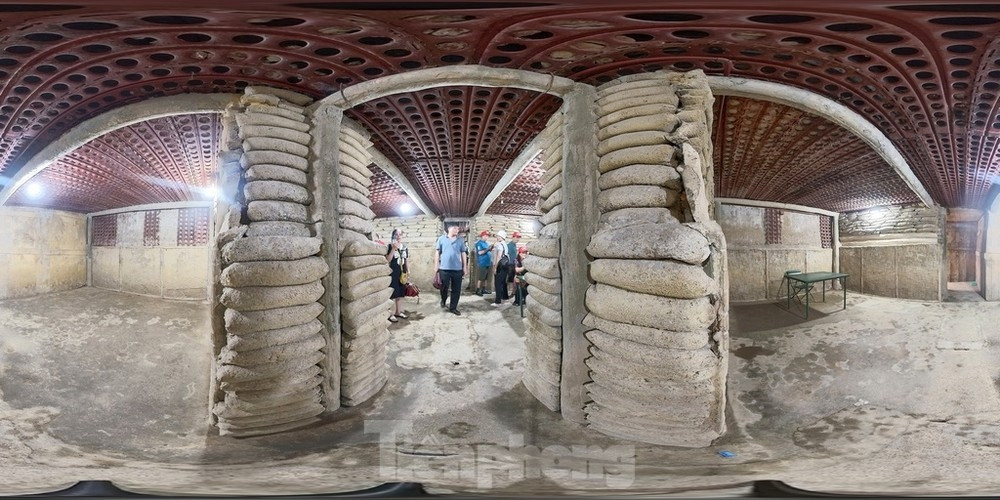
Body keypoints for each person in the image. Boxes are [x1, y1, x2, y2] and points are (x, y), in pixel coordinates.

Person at [434, 223, 468, 315]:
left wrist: (465, 267)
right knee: (444, 288)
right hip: (444, 268)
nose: (457, 230)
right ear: (449, 229)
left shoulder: (460, 240)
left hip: (457, 269)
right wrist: (436, 264)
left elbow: (463, 253)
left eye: (458, 229)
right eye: (455, 228)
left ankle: (453, 307)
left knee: (456, 289)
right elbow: (437, 252)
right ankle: (443, 300)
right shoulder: (441, 239)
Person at [385, 229, 408, 323]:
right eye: (396, 234)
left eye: (400, 234)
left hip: (402, 272)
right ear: (393, 235)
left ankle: (398, 312)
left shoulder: (405, 247)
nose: (398, 236)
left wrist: (408, 272)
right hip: (393, 272)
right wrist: (393, 249)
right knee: (392, 293)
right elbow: (387, 260)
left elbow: (406, 260)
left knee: (400, 293)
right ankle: (390, 314)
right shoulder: (390, 246)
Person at [492, 230, 510, 306]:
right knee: (503, 282)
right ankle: (505, 296)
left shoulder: (500, 245)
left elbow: (499, 257)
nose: (497, 237)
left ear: (501, 237)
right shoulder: (505, 244)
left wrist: (495, 267)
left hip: (500, 266)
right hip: (506, 265)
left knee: (498, 283)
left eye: (498, 236)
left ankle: (498, 301)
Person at [474, 230, 493, 296]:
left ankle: (483, 289)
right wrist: (488, 249)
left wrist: (490, 249)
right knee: (481, 278)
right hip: (482, 263)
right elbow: (480, 252)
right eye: (486, 236)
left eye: (488, 236)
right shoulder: (479, 243)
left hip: (488, 263)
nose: (487, 237)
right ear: (483, 236)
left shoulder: (486, 243)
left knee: (485, 278)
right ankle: (478, 290)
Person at [507, 231, 521, 296]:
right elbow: (508, 256)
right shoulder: (509, 245)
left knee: (513, 278)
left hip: (513, 264)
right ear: (513, 237)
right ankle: (509, 292)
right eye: (516, 237)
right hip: (510, 264)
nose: (518, 239)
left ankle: (513, 292)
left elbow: (514, 256)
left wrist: (516, 263)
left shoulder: (514, 245)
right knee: (510, 279)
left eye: (518, 238)